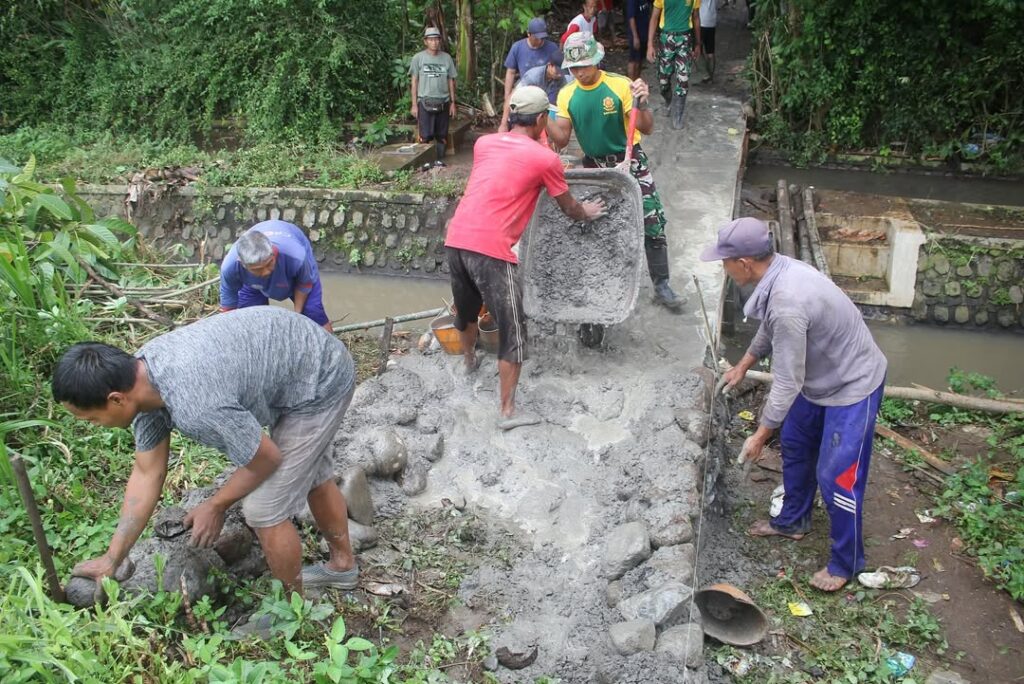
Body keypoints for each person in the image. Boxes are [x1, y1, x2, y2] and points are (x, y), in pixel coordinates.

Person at [53, 307, 362, 595]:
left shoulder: (195, 404)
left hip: (321, 377)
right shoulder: (142, 380)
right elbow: (147, 473)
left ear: (116, 399)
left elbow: (265, 459)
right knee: (314, 475)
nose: (94, 425)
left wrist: (216, 505)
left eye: (91, 419)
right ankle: (342, 567)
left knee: (263, 510)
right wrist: (112, 558)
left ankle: (292, 611)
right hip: (296, 358)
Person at [702, 217, 888, 592]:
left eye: (725, 261)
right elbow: (770, 326)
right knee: (796, 444)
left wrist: (760, 435)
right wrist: (744, 363)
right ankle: (792, 521)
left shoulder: (789, 300)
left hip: (853, 385)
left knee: (837, 477)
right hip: (821, 378)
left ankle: (846, 562)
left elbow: (788, 381)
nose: (723, 268)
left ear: (744, 264)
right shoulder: (781, 271)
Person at [444, 86, 606, 430]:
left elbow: (509, 156)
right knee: (514, 329)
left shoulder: (484, 144)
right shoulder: (545, 160)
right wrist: (587, 212)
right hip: (491, 250)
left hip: (456, 239)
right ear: (542, 119)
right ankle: (507, 412)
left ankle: (469, 362)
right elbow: (569, 208)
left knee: (467, 310)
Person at [550, 32, 685, 313]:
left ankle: (662, 285)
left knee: (651, 220)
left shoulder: (620, 85)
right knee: (595, 222)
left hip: (629, 160)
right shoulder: (567, 94)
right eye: (573, 68)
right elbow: (561, 138)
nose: (579, 73)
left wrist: (643, 103)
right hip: (594, 167)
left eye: (584, 66)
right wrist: (543, 116)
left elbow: (647, 127)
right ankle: (604, 285)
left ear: (597, 61)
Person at [219, 220, 332, 332]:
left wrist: (297, 316)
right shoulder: (230, 267)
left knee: (313, 311)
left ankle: (332, 341)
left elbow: (304, 285)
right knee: (252, 320)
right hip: (252, 284)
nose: (266, 272)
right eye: (258, 269)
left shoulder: (296, 256)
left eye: (269, 264)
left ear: (273, 252)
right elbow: (229, 308)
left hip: (290, 265)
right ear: (242, 264)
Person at [646, 0, 702, 129]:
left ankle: (678, 115)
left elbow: (696, 17)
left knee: (683, 78)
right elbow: (654, 17)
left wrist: (698, 44)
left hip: (685, 39)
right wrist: (650, 45)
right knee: (663, 80)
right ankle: (669, 100)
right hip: (666, 39)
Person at [499, 18, 561, 133]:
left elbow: (559, 69)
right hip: (525, 88)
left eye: (542, 38)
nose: (540, 41)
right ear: (528, 34)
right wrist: (507, 95)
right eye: (537, 37)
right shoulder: (517, 47)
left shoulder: (552, 47)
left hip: (546, 92)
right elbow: (511, 72)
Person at [410, 26, 457, 166]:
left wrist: (453, 103)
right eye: (431, 40)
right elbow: (414, 81)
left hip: (443, 101)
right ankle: (425, 163)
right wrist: (414, 105)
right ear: (425, 41)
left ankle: (440, 161)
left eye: (436, 39)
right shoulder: (418, 58)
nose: (434, 42)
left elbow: (451, 80)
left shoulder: (446, 58)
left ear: (440, 41)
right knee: (425, 135)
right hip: (424, 101)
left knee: (442, 135)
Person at [625, 0, 653, 80]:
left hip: (644, 32)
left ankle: (637, 80)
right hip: (636, 33)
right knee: (633, 60)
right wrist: (635, 37)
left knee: (640, 60)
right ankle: (631, 82)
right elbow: (631, 18)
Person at [697, 0, 716, 83]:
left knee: (696, 50)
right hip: (712, 21)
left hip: (701, 21)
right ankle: (710, 76)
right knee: (710, 51)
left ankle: (706, 75)